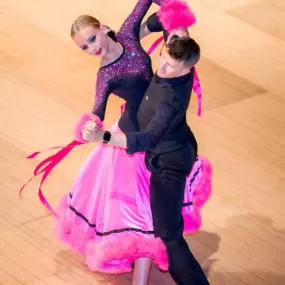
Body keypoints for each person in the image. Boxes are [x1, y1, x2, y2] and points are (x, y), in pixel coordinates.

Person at [20, 0, 211, 283]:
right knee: (139, 214)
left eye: (92, 38)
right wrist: (91, 126)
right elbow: (97, 109)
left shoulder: (128, 32)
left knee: (151, 215)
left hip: (158, 128)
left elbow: (144, 4)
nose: (92, 48)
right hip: (131, 138)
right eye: (84, 47)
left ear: (104, 28)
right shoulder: (105, 75)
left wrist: (172, 11)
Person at [82, 36, 211, 285]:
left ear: (187, 69)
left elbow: (148, 139)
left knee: (167, 234)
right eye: (163, 55)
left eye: (170, 65)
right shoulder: (176, 62)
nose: (162, 66)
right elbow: (167, 24)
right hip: (177, 144)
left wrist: (104, 136)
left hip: (169, 163)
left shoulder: (170, 100)